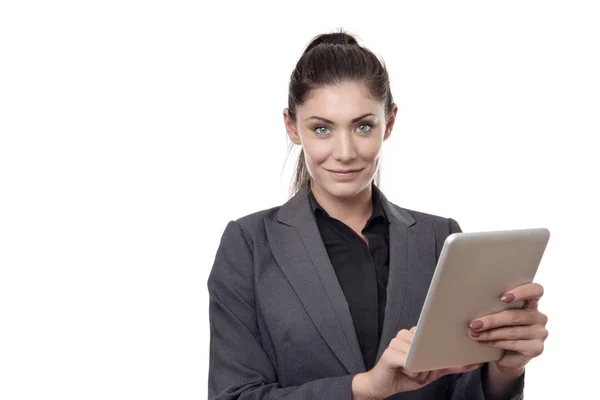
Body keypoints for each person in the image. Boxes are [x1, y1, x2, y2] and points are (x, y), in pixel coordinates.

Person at [207, 30, 548, 400]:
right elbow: (234, 395)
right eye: (322, 128)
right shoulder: (249, 244)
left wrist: (504, 368)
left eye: (363, 126)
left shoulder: (440, 239)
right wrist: (363, 389)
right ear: (292, 127)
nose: (345, 151)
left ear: (390, 123)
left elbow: (462, 388)